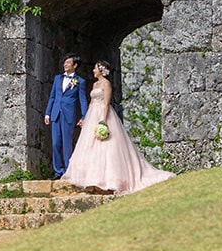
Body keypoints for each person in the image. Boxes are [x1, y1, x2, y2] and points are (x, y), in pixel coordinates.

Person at [62, 60, 174, 194]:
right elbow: (91, 102)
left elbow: (106, 103)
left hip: (103, 115)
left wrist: (103, 120)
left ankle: (106, 180)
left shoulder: (106, 84)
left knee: (106, 148)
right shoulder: (95, 84)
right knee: (89, 147)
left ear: (101, 70)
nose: (93, 71)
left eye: (95, 68)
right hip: (92, 115)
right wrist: (85, 118)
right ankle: (89, 180)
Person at [43, 53, 87, 180]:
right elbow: (52, 97)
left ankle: (68, 171)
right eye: (65, 62)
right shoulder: (58, 78)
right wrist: (47, 113)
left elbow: (82, 100)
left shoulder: (80, 81)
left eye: (68, 63)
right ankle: (58, 171)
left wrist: (84, 116)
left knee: (67, 143)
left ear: (75, 65)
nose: (65, 65)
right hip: (56, 113)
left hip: (69, 114)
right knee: (56, 143)